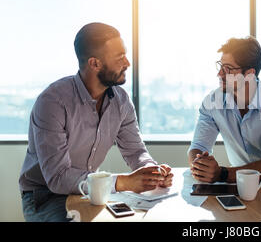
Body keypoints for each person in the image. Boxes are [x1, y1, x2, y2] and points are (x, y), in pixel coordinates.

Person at [19, 22, 173, 222]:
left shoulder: (121, 101)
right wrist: (123, 182)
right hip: (45, 196)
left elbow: (136, 151)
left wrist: (152, 172)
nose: (127, 63)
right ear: (94, 63)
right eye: (120, 58)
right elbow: (57, 178)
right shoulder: (53, 102)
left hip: (91, 190)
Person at [188, 36, 261, 192]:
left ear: (249, 74)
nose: (219, 74)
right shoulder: (212, 102)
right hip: (237, 178)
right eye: (220, 66)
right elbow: (198, 147)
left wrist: (222, 174)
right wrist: (201, 167)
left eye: (227, 69)